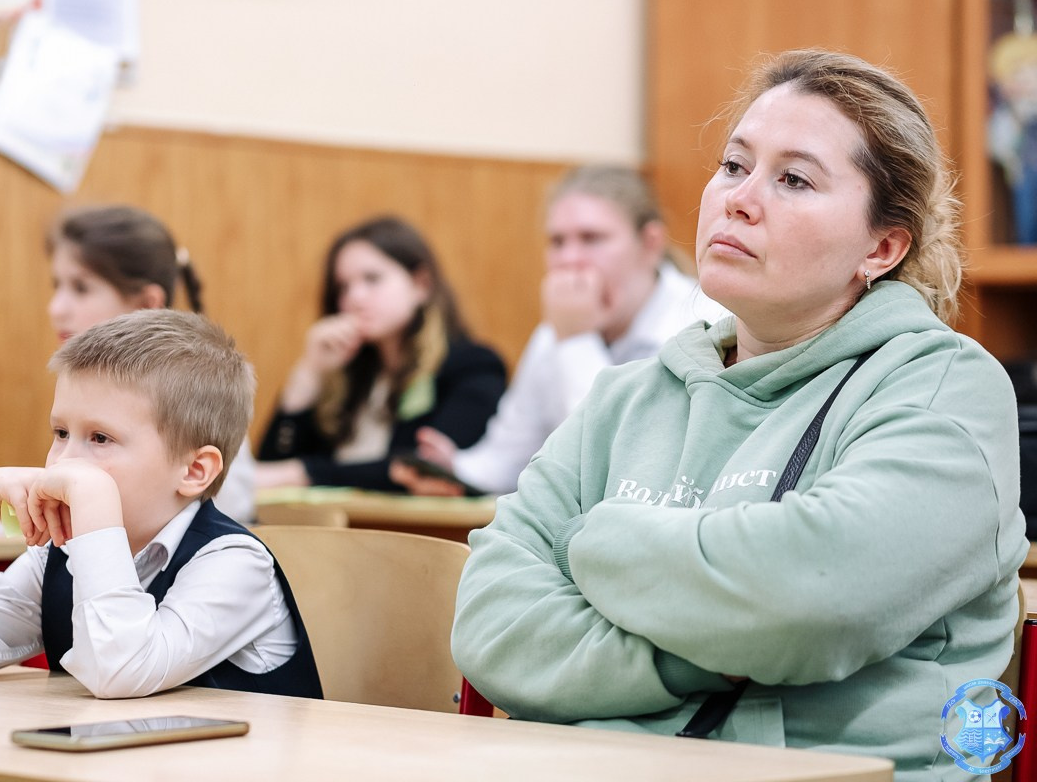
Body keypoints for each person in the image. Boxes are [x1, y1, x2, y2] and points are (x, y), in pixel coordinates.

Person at [450, 50, 1027, 780]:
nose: (739, 198)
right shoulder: (626, 397)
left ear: (881, 248)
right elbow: (494, 626)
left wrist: (597, 541)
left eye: (793, 179)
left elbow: (813, 600)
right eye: (732, 166)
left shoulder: (946, 386)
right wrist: (712, 650)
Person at [0, 310, 323, 700]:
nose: (66, 462)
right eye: (60, 433)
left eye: (101, 439)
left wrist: (92, 499)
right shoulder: (59, 556)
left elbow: (122, 671)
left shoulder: (235, 564)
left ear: (193, 471)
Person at [390, 165, 726, 497]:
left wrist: (577, 340)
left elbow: (624, 468)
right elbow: (510, 457)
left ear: (650, 244)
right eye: (557, 242)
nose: (569, 260)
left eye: (591, 239)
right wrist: (456, 468)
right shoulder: (555, 332)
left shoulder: (703, 324)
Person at [256, 215, 506, 491]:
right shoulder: (349, 375)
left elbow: (422, 468)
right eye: (343, 287)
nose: (354, 298)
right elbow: (269, 465)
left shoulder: (472, 365)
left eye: (372, 279)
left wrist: (304, 474)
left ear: (421, 284)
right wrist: (309, 374)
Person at [46, 205, 257, 523]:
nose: (56, 308)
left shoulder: (193, 391)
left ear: (146, 304)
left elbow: (233, 511)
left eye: (81, 288)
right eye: (61, 433)